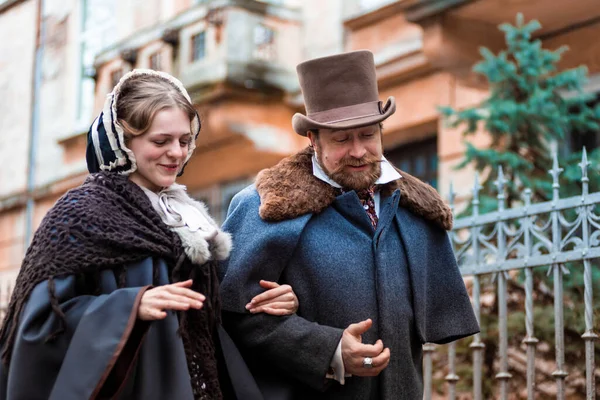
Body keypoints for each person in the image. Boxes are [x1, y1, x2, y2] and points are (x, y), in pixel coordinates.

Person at [0, 69, 299, 400]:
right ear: (123, 142)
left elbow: (211, 319)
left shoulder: (189, 219)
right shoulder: (81, 214)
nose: (177, 153)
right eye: (161, 141)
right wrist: (129, 307)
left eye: (185, 141)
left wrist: (265, 301)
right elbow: (38, 329)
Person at [218, 50, 480, 399]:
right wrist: (328, 351)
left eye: (368, 135)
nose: (358, 151)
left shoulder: (415, 209)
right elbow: (231, 316)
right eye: (341, 139)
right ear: (313, 141)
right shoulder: (265, 206)